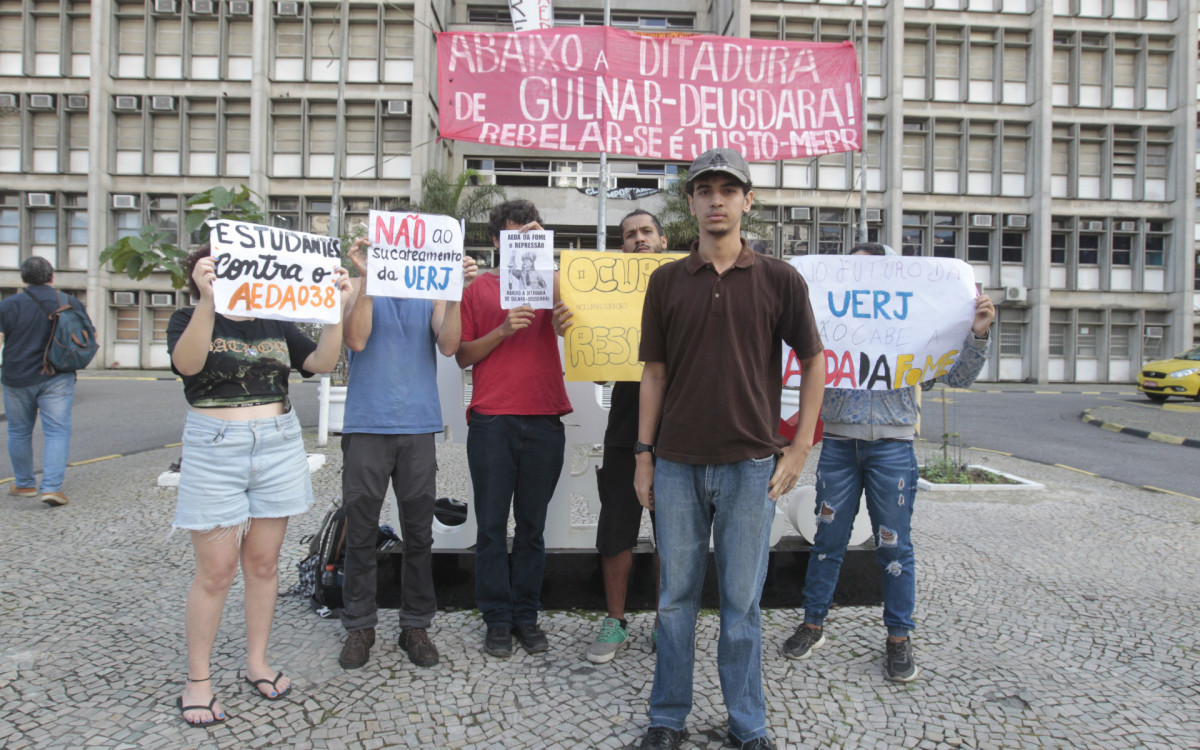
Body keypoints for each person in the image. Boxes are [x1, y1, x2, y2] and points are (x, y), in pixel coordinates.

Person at [634, 149, 825, 750]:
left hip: (750, 466)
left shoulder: (778, 278)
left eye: (728, 189)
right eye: (704, 189)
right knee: (674, 600)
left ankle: (748, 725)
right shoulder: (667, 280)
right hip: (676, 465)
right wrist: (644, 454)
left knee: (742, 605)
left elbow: (815, 359)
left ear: (747, 200)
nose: (716, 199)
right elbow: (654, 373)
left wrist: (798, 448)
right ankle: (667, 718)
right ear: (690, 203)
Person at [782, 241, 995, 683]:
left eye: (873, 273)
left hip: (893, 447)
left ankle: (899, 636)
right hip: (840, 443)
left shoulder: (916, 327)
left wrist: (977, 332)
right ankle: (813, 623)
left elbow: (958, 376)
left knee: (895, 545)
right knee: (827, 540)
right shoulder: (828, 318)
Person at [167, 244, 351, 727]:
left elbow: (321, 363)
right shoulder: (189, 316)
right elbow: (187, 366)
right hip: (214, 446)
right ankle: (198, 680)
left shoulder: (274, 322)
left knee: (264, 563)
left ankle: (256, 661)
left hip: (277, 443)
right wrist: (208, 301)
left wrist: (336, 311)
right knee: (216, 570)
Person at [336, 238, 477, 671]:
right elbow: (356, 339)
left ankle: (415, 624)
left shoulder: (430, 290)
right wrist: (368, 278)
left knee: (420, 534)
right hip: (366, 426)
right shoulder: (357, 289)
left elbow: (450, 346)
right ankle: (360, 624)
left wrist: (453, 293)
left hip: (418, 427)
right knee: (360, 532)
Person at [456, 199, 572, 658]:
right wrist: (503, 330)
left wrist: (550, 259)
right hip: (492, 419)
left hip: (544, 417)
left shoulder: (553, 284)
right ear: (496, 240)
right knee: (489, 526)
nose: (523, 241)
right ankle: (496, 618)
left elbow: (574, 329)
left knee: (532, 526)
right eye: (514, 235)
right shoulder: (479, 288)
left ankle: (526, 614)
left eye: (532, 234)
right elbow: (463, 355)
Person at [552, 209, 668, 664]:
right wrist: (573, 332)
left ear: (663, 240)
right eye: (629, 235)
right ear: (622, 247)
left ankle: (667, 621)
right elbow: (599, 371)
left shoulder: (684, 284)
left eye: (646, 232)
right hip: (623, 432)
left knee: (673, 537)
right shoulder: (611, 293)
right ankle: (615, 621)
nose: (638, 240)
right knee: (614, 532)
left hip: (680, 434)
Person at [0, 257, 91, 507]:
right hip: (57, 374)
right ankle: (51, 488)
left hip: (16, 376)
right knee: (56, 431)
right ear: (52, 277)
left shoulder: (8, 305)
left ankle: (25, 483)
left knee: (18, 431)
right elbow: (85, 334)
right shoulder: (69, 302)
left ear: (23, 278)